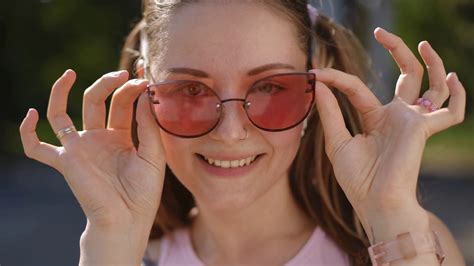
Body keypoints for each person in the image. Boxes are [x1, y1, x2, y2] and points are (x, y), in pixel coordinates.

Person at [19, 0, 467, 265]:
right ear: (144, 94)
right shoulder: (124, 251)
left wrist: (390, 211)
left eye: (271, 87)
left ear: (316, 92)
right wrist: (111, 242)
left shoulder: (405, 242)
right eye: (190, 89)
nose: (232, 133)